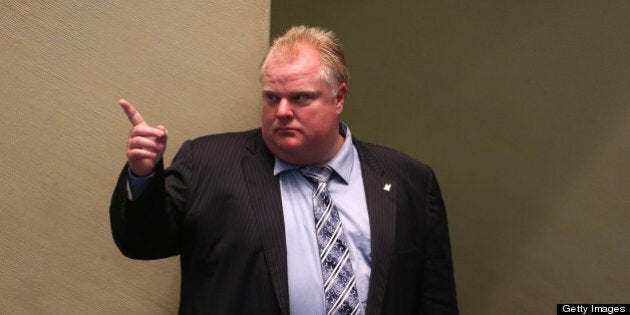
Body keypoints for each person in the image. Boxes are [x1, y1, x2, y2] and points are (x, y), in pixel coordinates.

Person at [110, 25, 458, 314]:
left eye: (301, 98)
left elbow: (434, 298)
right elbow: (143, 242)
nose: (282, 112)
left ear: (338, 98)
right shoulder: (208, 163)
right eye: (272, 98)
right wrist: (143, 175)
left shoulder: (407, 180)